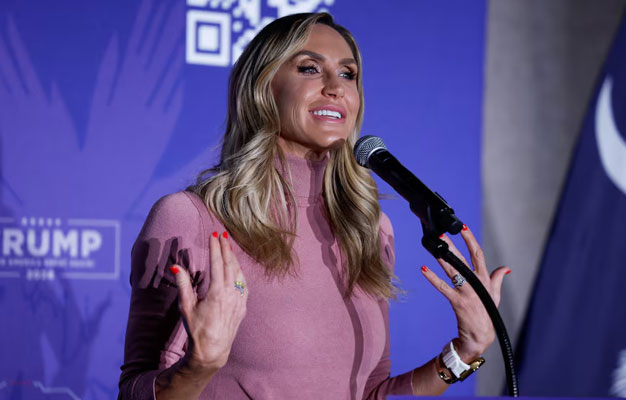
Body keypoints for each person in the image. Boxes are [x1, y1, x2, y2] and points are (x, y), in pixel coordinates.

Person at [118, 12, 509, 400]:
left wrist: (464, 352)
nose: (336, 87)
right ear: (262, 87)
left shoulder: (370, 230)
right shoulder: (190, 219)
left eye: (348, 74)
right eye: (310, 68)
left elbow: (371, 392)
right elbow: (134, 390)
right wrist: (197, 370)